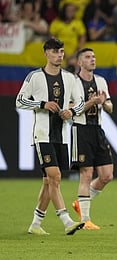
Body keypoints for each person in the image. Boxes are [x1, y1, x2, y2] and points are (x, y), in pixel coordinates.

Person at [15, 37, 85, 235]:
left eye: (61, 52)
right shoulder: (35, 77)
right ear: (46, 53)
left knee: (48, 181)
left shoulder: (70, 78)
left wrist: (71, 112)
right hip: (42, 134)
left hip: (61, 136)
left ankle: (35, 224)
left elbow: (80, 103)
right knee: (55, 177)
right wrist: (42, 104)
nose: (59, 55)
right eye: (55, 52)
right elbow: (19, 101)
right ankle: (66, 220)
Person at [70, 48, 114, 230]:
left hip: (97, 129)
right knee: (86, 174)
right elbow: (71, 108)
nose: (92, 59)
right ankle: (85, 220)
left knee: (107, 175)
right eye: (88, 57)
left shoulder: (101, 81)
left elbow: (110, 107)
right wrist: (91, 102)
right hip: (80, 130)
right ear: (80, 62)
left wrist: (104, 102)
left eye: (94, 56)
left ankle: (80, 203)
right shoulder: (72, 82)